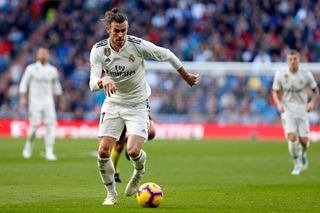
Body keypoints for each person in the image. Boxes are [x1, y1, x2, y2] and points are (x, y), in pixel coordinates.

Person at [89, 8, 199, 205]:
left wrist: (186, 75)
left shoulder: (137, 45)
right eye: (117, 31)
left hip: (138, 103)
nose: (121, 35)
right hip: (113, 102)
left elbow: (167, 54)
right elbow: (91, 83)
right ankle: (111, 194)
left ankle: (139, 170)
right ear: (108, 30)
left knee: (132, 151)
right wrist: (102, 80)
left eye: (124, 30)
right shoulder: (98, 50)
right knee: (103, 151)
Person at [272, 50, 318, 175]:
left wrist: (312, 103)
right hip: (288, 111)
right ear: (287, 61)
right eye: (290, 59)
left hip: (302, 110)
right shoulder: (281, 74)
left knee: (304, 140)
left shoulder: (306, 75)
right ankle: (296, 163)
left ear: (299, 60)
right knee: (292, 138)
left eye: (295, 59)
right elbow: (275, 91)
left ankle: (303, 153)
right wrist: (278, 104)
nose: (293, 61)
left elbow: (315, 90)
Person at [19, 47, 62, 161]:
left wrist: (60, 101)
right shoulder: (31, 69)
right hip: (35, 101)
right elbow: (23, 84)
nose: (43, 55)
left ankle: (49, 151)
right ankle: (28, 145)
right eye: (41, 53)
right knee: (34, 126)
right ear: (37, 55)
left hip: (48, 101)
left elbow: (56, 87)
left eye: (45, 53)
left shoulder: (52, 70)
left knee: (50, 126)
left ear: (48, 55)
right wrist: (23, 98)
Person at [112, 116, 156, 183]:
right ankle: (114, 173)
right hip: (121, 109)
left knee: (151, 133)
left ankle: (130, 140)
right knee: (119, 146)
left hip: (138, 108)